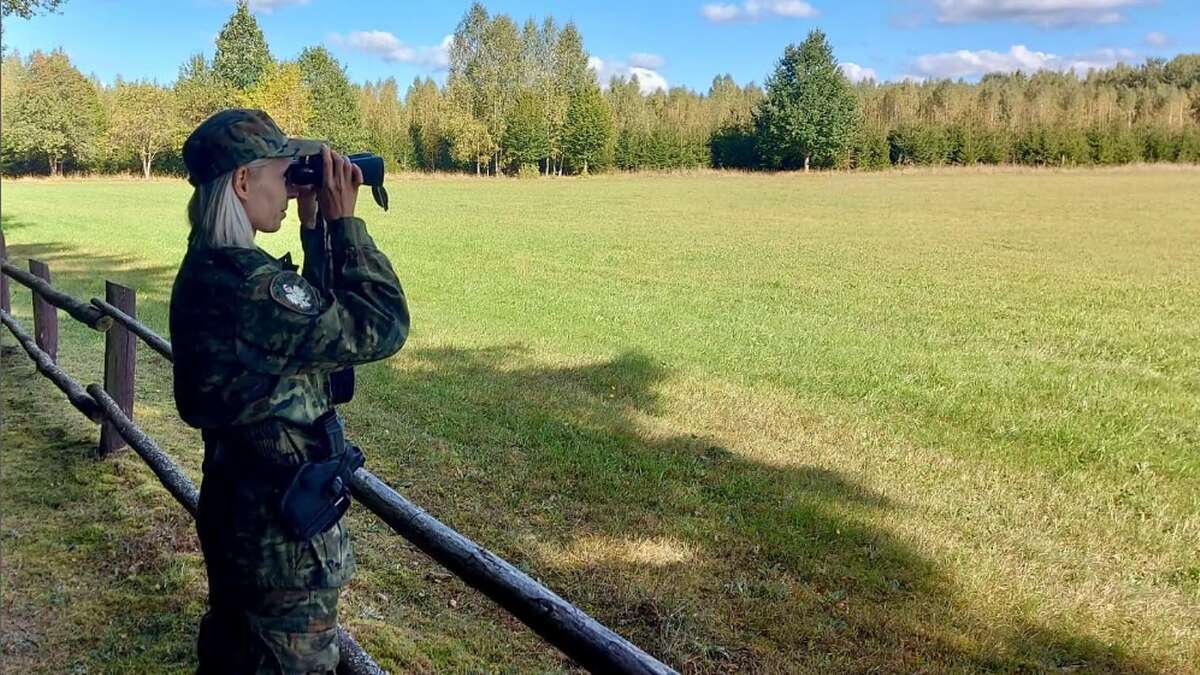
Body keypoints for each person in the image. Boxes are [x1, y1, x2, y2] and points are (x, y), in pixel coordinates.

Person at [169, 108, 409, 673]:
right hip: (279, 546)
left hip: (245, 520)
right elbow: (381, 325)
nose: (290, 188)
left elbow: (314, 341)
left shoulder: (212, 270)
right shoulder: (250, 287)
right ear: (243, 182)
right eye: (283, 175)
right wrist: (347, 223)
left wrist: (311, 229)